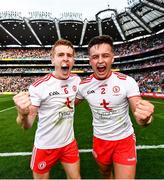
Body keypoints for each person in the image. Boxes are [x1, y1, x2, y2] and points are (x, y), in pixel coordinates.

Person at [75, 35, 154, 179]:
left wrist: (145, 118)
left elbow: (140, 115)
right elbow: (66, 106)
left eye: (105, 55)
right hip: (100, 140)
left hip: (124, 140)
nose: (100, 61)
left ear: (112, 58)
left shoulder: (127, 82)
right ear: (90, 61)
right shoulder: (83, 86)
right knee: (105, 174)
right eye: (95, 57)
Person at [13, 39, 81, 179]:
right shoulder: (39, 86)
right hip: (45, 146)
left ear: (73, 60)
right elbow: (27, 125)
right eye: (60, 54)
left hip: (69, 143)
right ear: (52, 60)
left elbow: (74, 101)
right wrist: (22, 114)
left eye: (69, 55)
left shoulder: (76, 81)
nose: (66, 58)